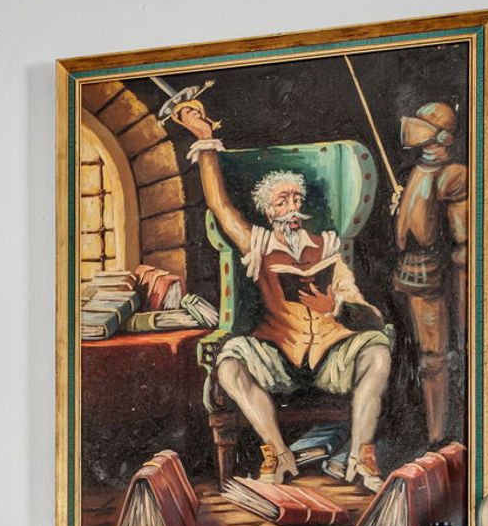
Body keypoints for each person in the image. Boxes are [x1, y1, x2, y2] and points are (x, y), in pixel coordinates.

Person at [170, 100, 396, 492]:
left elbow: (368, 312)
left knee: (377, 352)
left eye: (295, 199)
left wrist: (336, 306)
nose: (292, 207)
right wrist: (205, 140)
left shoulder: (327, 244)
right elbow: (220, 206)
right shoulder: (257, 243)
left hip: (330, 355)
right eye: (282, 201)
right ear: (268, 210)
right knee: (229, 365)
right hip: (278, 354)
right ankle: (278, 452)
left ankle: (361, 456)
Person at [389, 101, 471, 446]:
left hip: (437, 271)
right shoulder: (417, 171)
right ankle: (435, 435)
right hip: (414, 270)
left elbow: (464, 241)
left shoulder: (453, 175)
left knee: (440, 356)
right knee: (427, 358)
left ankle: (444, 435)